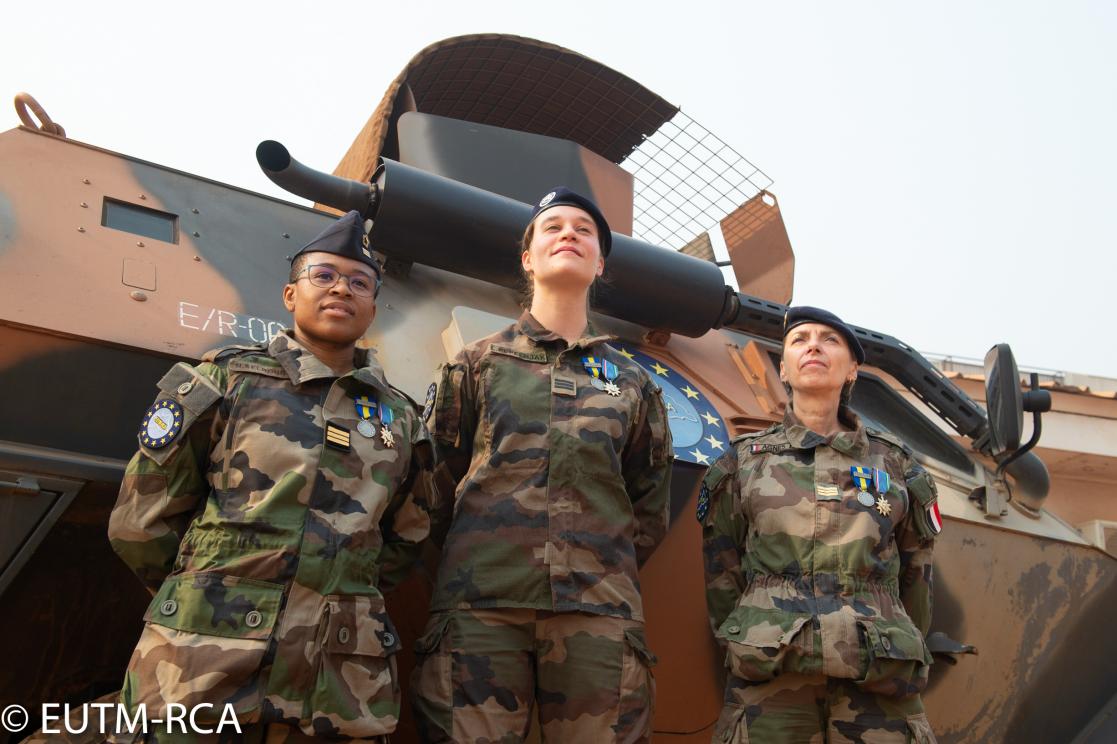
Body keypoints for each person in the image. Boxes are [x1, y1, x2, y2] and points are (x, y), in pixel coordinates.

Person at [106, 211, 433, 742]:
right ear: (289, 294)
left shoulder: (402, 418)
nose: (340, 290)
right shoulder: (224, 381)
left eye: (359, 283)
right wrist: (205, 591)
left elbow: (405, 540)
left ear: (373, 307)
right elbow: (141, 522)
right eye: (323, 276)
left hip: (337, 682)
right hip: (200, 668)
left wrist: (339, 587)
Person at [410, 188, 673, 743]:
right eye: (552, 227)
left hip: (598, 614)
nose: (569, 234)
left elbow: (648, 506)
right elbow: (432, 487)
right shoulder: (477, 365)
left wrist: (596, 566)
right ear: (528, 258)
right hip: (480, 606)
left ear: (600, 263)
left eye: (584, 229)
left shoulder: (633, 384)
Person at [701, 306, 941, 744]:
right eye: (800, 339)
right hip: (774, 681)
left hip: (879, 680)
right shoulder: (745, 461)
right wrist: (752, 633)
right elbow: (722, 570)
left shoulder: (896, 464)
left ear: (852, 370)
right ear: (783, 370)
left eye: (830, 340)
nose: (813, 345)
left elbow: (917, 575)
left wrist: (891, 636)